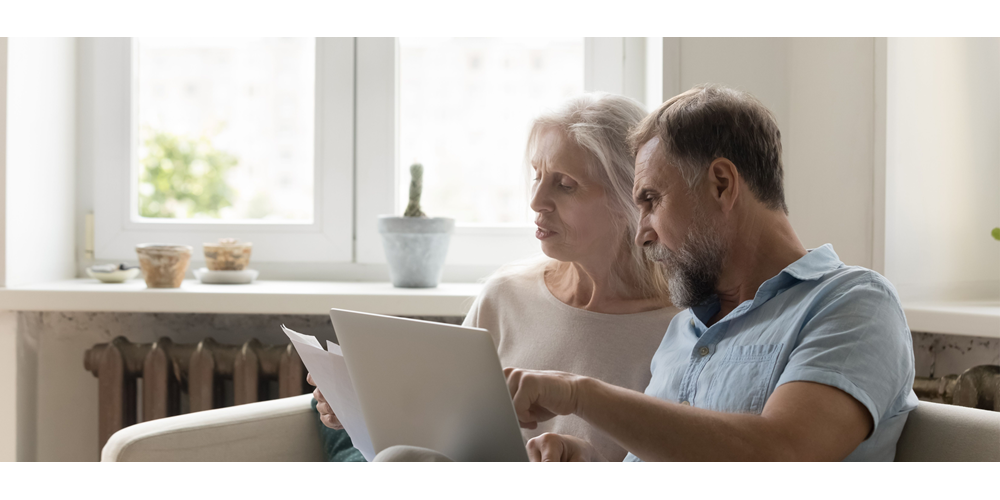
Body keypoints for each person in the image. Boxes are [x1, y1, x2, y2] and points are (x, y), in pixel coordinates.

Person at [504, 84, 918, 462]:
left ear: (721, 184)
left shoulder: (854, 304)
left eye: (651, 200)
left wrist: (580, 394)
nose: (641, 233)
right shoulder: (686, 329)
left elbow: (784, 451)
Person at [310, 93, 680, 462]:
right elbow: (441, 432)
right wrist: (356, 408)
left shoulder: (678, 328)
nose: (536, 200)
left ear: (630, 196)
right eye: (537, 175)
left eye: (564, 184)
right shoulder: (506, 296)